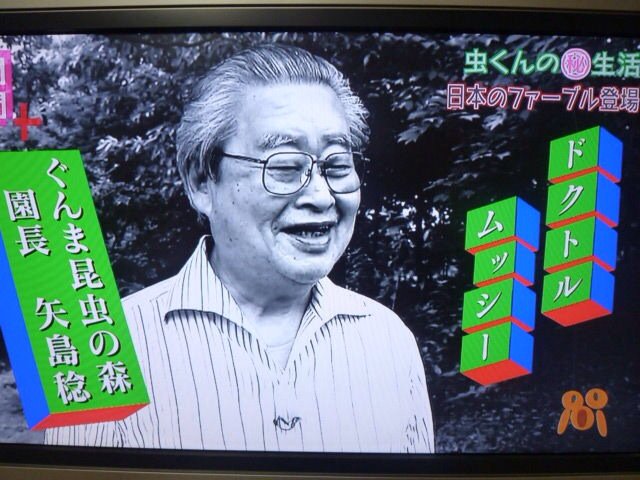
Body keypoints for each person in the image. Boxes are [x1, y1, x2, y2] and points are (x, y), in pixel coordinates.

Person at [45, 44, 434, 453]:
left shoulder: (389, 340)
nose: (321, 196)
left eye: (337, 166)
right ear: (201, 182)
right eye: (285, 166)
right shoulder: (103, 349)